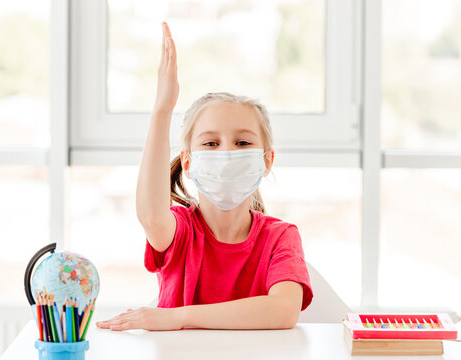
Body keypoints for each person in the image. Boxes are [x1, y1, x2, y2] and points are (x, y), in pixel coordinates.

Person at [96, 21, 313, 332]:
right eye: (210, 143)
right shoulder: (181, 230)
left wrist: (178, 316)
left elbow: (283, 311)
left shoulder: (280, 237)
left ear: (267, 160)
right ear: (187, 162)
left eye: (243, 142)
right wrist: (162, 109)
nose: (225, 154)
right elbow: (151, 217)